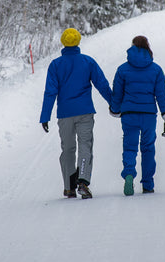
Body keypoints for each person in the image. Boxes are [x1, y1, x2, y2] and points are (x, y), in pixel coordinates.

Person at [40, 28, 112, 199]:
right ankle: (83, 182)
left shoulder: (56, 65)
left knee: (68, 149)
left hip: (65, 114)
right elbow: (101, 84)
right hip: (85, 112)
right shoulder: (88, 62)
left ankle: (69, 187)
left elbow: (50, 92)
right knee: (85, 146)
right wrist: (114, 103)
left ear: (63, 42)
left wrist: (45, 116)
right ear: (79, 41)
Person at [110, 35, 165, 196]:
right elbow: (161, 95)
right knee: (148, 148)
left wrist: (115, 109)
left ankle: (129, 173)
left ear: (132, 47)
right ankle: (148, 184)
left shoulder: (123, 69)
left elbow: (117, 93)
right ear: (147, 47)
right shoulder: (156, 70)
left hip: (129, 114)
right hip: (148, 115)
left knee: (130, 147)